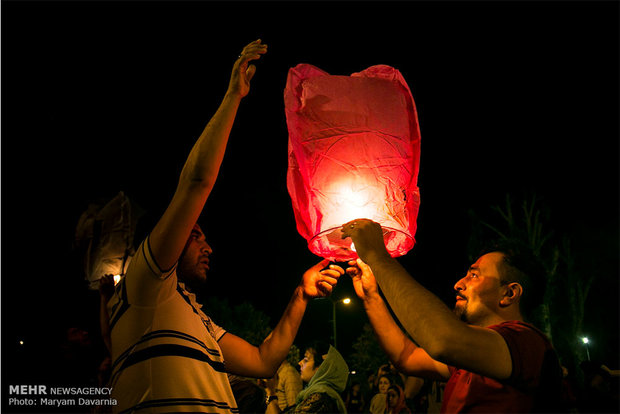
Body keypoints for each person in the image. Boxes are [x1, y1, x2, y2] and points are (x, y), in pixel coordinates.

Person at [107, 40, 345, 413]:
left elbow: (263, 360)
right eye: (195, 236)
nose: (209, 247)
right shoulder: (145, 283)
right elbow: (196, 183)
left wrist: (301, 293)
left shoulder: (194, 318)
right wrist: (234, 95)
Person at [342, 218, 563, 413]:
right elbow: (406, 358)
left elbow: (443, 342)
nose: (458, 284)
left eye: (474, 275)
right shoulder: (473, 357)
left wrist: (378, 256)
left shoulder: (526, 342)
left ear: (509, 293)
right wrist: (372, 297)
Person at [265, 341, 349, 413]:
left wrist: (271, 393)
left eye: (306, 360)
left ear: (322, 368)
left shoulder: (320, 400)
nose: (300, 363)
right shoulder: (317, 394)